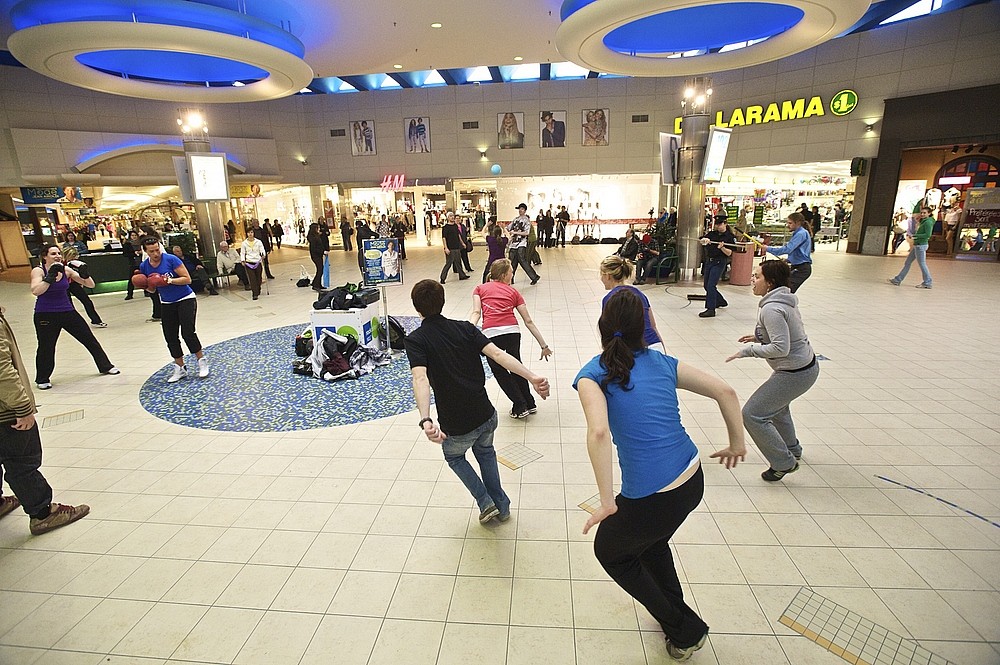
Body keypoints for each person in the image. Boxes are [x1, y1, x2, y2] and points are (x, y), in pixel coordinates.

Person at [574, 288, 746, 661]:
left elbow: (599, 432)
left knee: (611, 552)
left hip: (653, 495)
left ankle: (685, 630)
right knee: (650, 543)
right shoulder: (666, 363)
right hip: (691, 478)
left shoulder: (592, 374)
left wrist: (607, 502)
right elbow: (726, 392)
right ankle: (673, 612)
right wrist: (736, 443)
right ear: (647, 326)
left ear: (602, 327)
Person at [406, 279, 550, 523]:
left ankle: (485, 501)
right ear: (443, 302)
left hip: (456, 423)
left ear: (416, 308)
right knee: (485, 452)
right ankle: (502, 506)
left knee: (454, 457)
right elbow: (498, 354)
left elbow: (420, 378)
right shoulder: (465, 328)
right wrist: (532, 377)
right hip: (486, 414)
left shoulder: (416, 340)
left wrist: (426, 418)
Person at [0, 307, 91, 535]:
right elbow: (2, 371)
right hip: (5, 411)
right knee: (21, 462)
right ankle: (43, 514)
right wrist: (22, 407)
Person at [727, 260, 818, 481]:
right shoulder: (783, 300)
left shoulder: (772, 309)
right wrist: (759, 336)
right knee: (777, 407)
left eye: (757, 277)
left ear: (770, 283)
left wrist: (749, 350)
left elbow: (781, 347)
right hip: (804, 368)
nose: (753, 280)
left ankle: (783, 463)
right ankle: (792, 449)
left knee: (752, 414)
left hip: (795, 373)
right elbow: (787, 333)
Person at [470, 259, 552, 419]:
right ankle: (529, 402)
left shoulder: (479, 289)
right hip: (513, 333)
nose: (512, 275)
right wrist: (544, 345)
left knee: (500, 371)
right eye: (511, 273)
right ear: (503, 275)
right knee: (516, 366)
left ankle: (520, 406)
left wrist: (468, 330)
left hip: (492, 335)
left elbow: (476, 313)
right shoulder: (514, 292)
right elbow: (528, 321)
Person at [30, 245, 120, 390]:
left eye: (59, 253)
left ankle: (105, 366)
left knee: (89, 339)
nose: (58, 256)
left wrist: (85, 274)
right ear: (44, 256)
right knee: (46, 346)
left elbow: (90, 284)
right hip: (45, 313)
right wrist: (49, 278)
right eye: (53, 254)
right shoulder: (39, 270)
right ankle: (42, 378)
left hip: (67, 311)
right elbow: (36, 291)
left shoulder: (66, 270)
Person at [139, 238, 209, 382]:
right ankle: (180, 367)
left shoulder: (171, 260)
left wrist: (169, 280)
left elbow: (187, 279)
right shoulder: (144, 266)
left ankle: (201, 361)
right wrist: (144, 285)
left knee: (187, 332)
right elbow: (152, 290)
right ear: (145, 251)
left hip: (185, 298)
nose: (156, 253)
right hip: (166, 302)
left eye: (157, 249)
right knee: (170, 335)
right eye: (151, 251)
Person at [599, 255, 665, 353]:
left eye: (601, 275)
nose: (601, 279)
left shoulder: (609, 299)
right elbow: (653, 326)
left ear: (608, 276)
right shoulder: (640, 294)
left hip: (636, 349)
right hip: (655, 345)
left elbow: (608, 331)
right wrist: (663, 352)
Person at [765, 212, 812, 292]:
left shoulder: (801, 234)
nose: (787, 225)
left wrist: (768, 248)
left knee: (785, 291)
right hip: (797, 266)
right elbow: (799, 252)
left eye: (790, 223)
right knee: (783, 289)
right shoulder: (800, 233)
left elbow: (788, 249)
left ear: (797, 223)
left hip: (801, 268)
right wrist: (788, 259)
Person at [698, 218, 736, 318]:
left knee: (711, 285)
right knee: (706, 285)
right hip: (709, 261)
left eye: (720, 224)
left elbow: (729, 253)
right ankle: (720, 301)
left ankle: (711, 309)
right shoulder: (712, 234)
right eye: (717, 224)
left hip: (719, 262)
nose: (718, 226)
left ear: (725, 224)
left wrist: (722, 248)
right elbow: (701, 240)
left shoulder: (729, 237)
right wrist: (704, 240)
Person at [889, 206, 934, 288]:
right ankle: (897, 279)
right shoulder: (924, 221)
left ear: (929, 213)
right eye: (922, 213)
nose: (922, 214)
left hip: (921, 245)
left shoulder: (928, 222)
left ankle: (927, 282)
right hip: (918, 245)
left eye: (925, 213)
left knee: (922, 264)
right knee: (908, 262)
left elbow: (928, 235)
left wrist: (915, 236)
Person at [61, 247, 107, 327]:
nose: (76, 257)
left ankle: (96, 320)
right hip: (64, 284)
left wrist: (81, 281)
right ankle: (72, 322)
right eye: (73, 255)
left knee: (87, 301)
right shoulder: (61, 264)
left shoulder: (75, 263)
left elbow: (79, 274)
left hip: (74, 283)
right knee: (69, 303)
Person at [507, 204, 540, 285]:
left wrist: (515, 232)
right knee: (512, 262)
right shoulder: (515, 219)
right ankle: (510, 279)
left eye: (522, 209)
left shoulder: (526, 220)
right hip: (513, 243)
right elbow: (508, 227)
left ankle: (534, 277)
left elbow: (526, 233)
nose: (520, 211)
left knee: (522, 260)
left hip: (522, 243)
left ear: (525, 210)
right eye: (519, 209)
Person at [439, 211, 470, 283]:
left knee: (458, 262)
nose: (452, 217)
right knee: (449, 263)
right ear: (447, 218)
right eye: (450, 216)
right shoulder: (445, 228)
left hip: (457, 247)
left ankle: (462, 275)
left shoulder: (455, 226)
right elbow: (444, 238)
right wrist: (445, 248)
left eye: (453, 216)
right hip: (450, 248)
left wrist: (462, 243)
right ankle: (442, 278)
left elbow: (458, 235)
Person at [240, 228, 267, 300]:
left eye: (251, 232)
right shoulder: (244, 243)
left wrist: (263, 255)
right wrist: (243, 260)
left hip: (257, 261)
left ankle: (258, 288)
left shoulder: (258, 242)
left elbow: (262, 250)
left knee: (258, 278)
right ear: (247, 234)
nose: (250, 234)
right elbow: (242, 252)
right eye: (249, 233)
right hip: (249, 262)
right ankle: (254, 293)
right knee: (252, 278)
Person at [306, 222, 329, 291]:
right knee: (320, 270)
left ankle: (317, 284)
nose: (319, 229)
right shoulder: (312, 237)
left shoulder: (316, 236)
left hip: (319, 255)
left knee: (320, 269)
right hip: (316, 256)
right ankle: (315, 284)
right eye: (317, 228)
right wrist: (322, 252)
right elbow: (315, 248)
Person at [123, 230, 142, 300]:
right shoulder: (127, 244)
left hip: (141, 261)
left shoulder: (141, 243)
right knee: (131, 279)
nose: (134, 237)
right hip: (133, 263)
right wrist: (134, 253)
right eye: (132, 235)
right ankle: (129, 293)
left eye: (135, 235)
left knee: (145, 276)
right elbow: (125, 254)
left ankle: (147, 291)